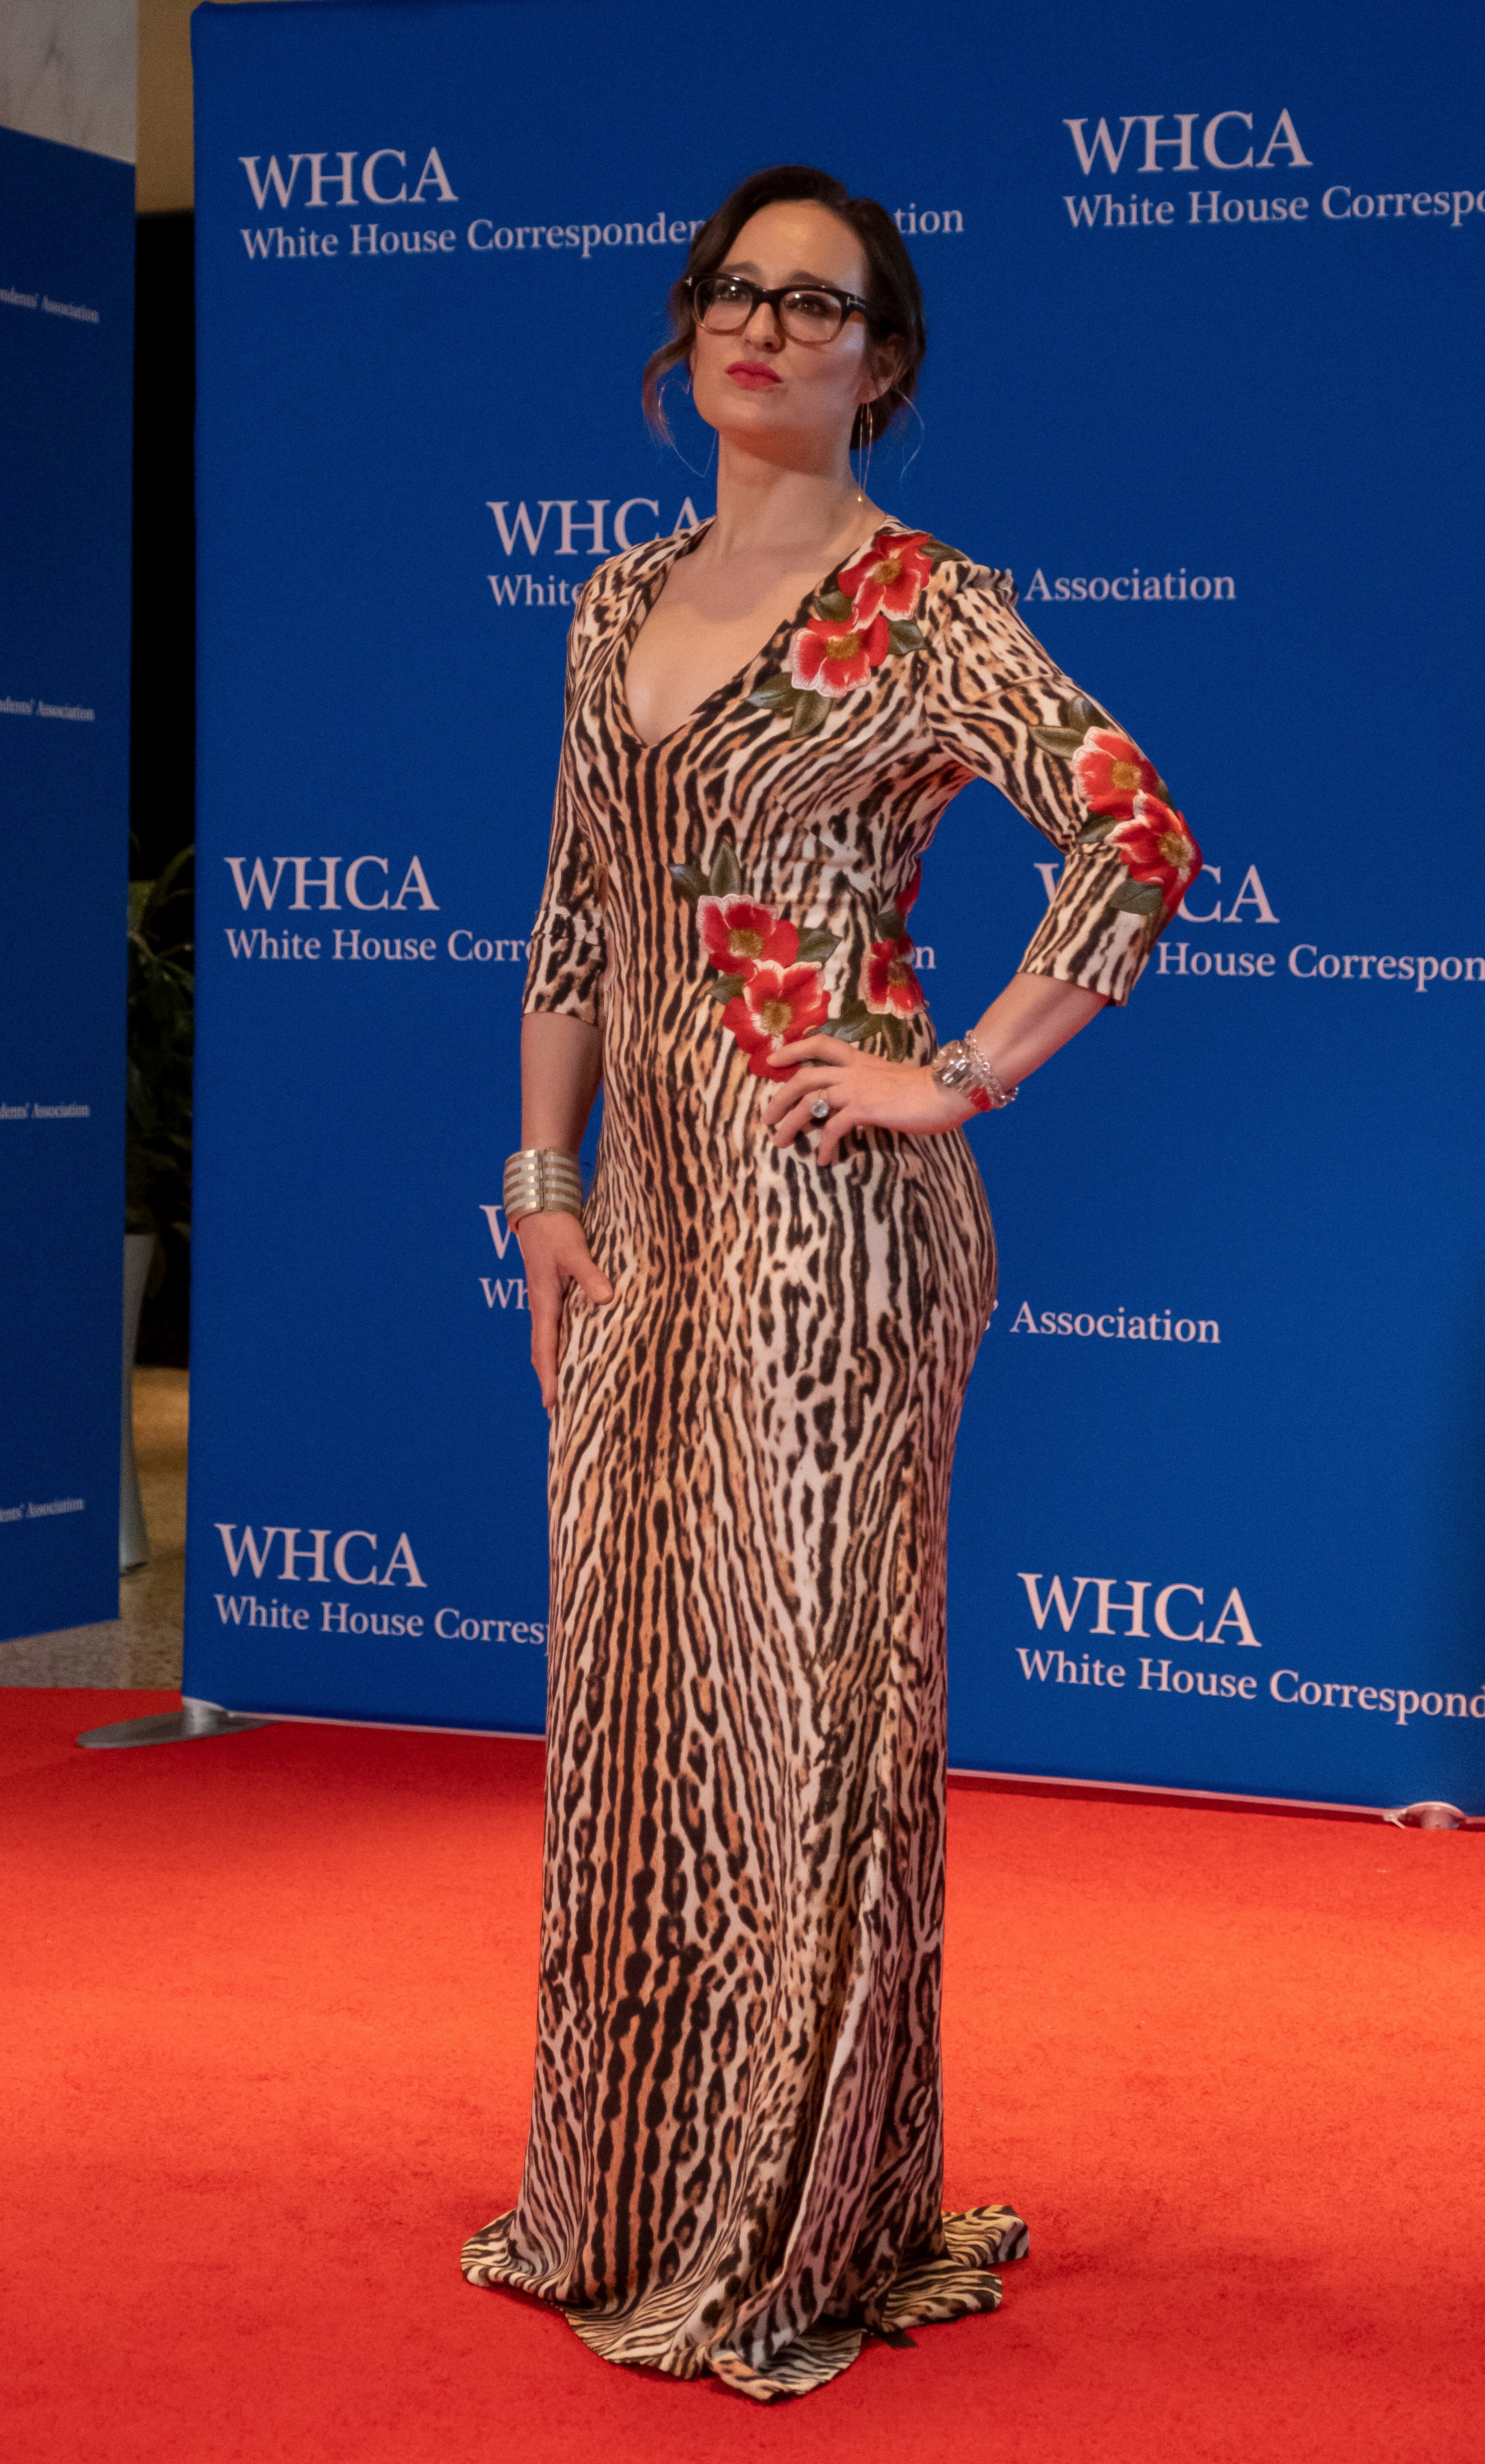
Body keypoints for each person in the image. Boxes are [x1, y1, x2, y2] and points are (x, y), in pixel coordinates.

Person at [461, 163, 1198, 2402]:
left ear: (886, 359)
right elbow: (581, 911)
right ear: (689, 328)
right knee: (640, 1713)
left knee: (807, 1723)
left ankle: (801, 2224)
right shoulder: (612, 608)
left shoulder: (928, 611)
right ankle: (636, 2187)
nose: (767, 327)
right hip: (651, 1233)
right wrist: (543, 1183)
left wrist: (955, 1076)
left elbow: (1136, 833)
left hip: (830, 1235)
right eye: (736, 291)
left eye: (823, 303)